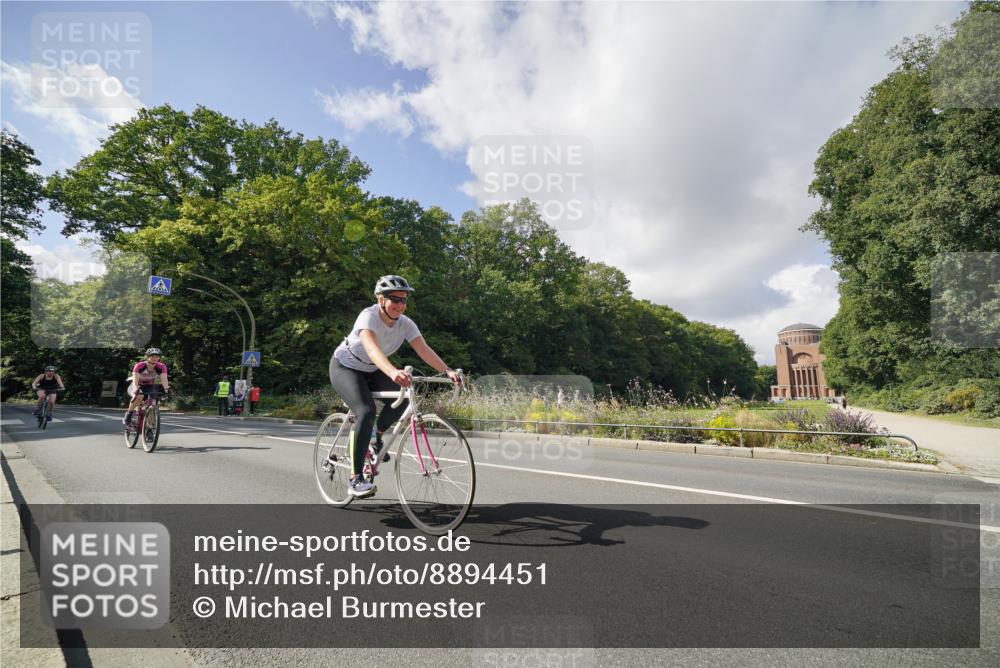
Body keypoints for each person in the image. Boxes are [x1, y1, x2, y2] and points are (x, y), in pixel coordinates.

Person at [330, 275, 461, 498]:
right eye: (395, 299)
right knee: (366, 411)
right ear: (381, 300)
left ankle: (375, 439)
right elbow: (372, 349)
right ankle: (355, 479)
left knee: (402, 399)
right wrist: (392, 372)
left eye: (404, 300)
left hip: (372, 369)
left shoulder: (405, 324)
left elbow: (423, 349)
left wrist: (447, 370)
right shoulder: (368, 317)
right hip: (346, 367)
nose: (400, 305)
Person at [123, 348, 170, 429]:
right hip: (136, 385)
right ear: (148, 357)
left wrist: (166, 389)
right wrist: (136, 389)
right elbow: (135, 381)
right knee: (139, 396)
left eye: (157, 356)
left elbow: (164, 380)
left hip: (150, 386)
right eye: (152, 356)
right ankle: (128, 415)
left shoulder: (162, 366)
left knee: (152, 404)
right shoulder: (140, 365)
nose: (155, 358)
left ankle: (149, 429)